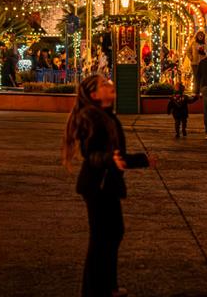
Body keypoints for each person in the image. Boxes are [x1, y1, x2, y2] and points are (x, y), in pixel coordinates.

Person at [62, 75, 154, 297]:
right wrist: (109, 160)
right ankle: (93, 290)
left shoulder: (106, 115)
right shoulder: (91, 117)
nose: (110, 84)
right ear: (94, 95)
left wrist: (142, 160)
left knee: (113, 233)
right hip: (97, 184)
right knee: (101, 238)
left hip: (107, 183)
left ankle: (108, 286)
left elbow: (117, 156)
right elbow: (91, 153)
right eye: (104, 84)